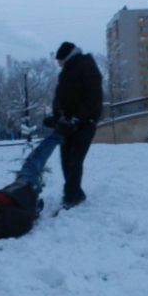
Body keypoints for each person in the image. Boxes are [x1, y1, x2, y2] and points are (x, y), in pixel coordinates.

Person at [44, 41, 103, 209]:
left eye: (59, 60)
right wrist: (56, 118)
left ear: (66, 56)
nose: (58, 63)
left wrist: (77, 118)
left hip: (85, 124)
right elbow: (63, 98)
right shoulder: (67, 71)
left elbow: (93, 98)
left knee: (74, 161)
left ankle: (71, 198)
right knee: (66, 160)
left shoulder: (87, 67)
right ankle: (76, 194)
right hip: (68, 125)